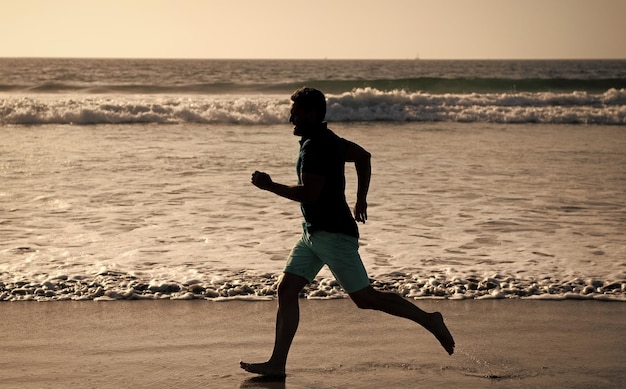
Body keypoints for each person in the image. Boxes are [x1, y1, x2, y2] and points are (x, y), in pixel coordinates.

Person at [241, 87, 454, 378]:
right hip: (313, 234)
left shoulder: (317, 145)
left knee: (366, 298)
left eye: (297, 112)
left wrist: (270, 185)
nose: (291, 117)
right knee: (286, 288)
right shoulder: (330, 140)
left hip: (333, 234)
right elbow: (363, 157)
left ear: (313, 114)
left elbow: (311, 193)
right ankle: (277, 363)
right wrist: (360, 198)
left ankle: (429, 319)